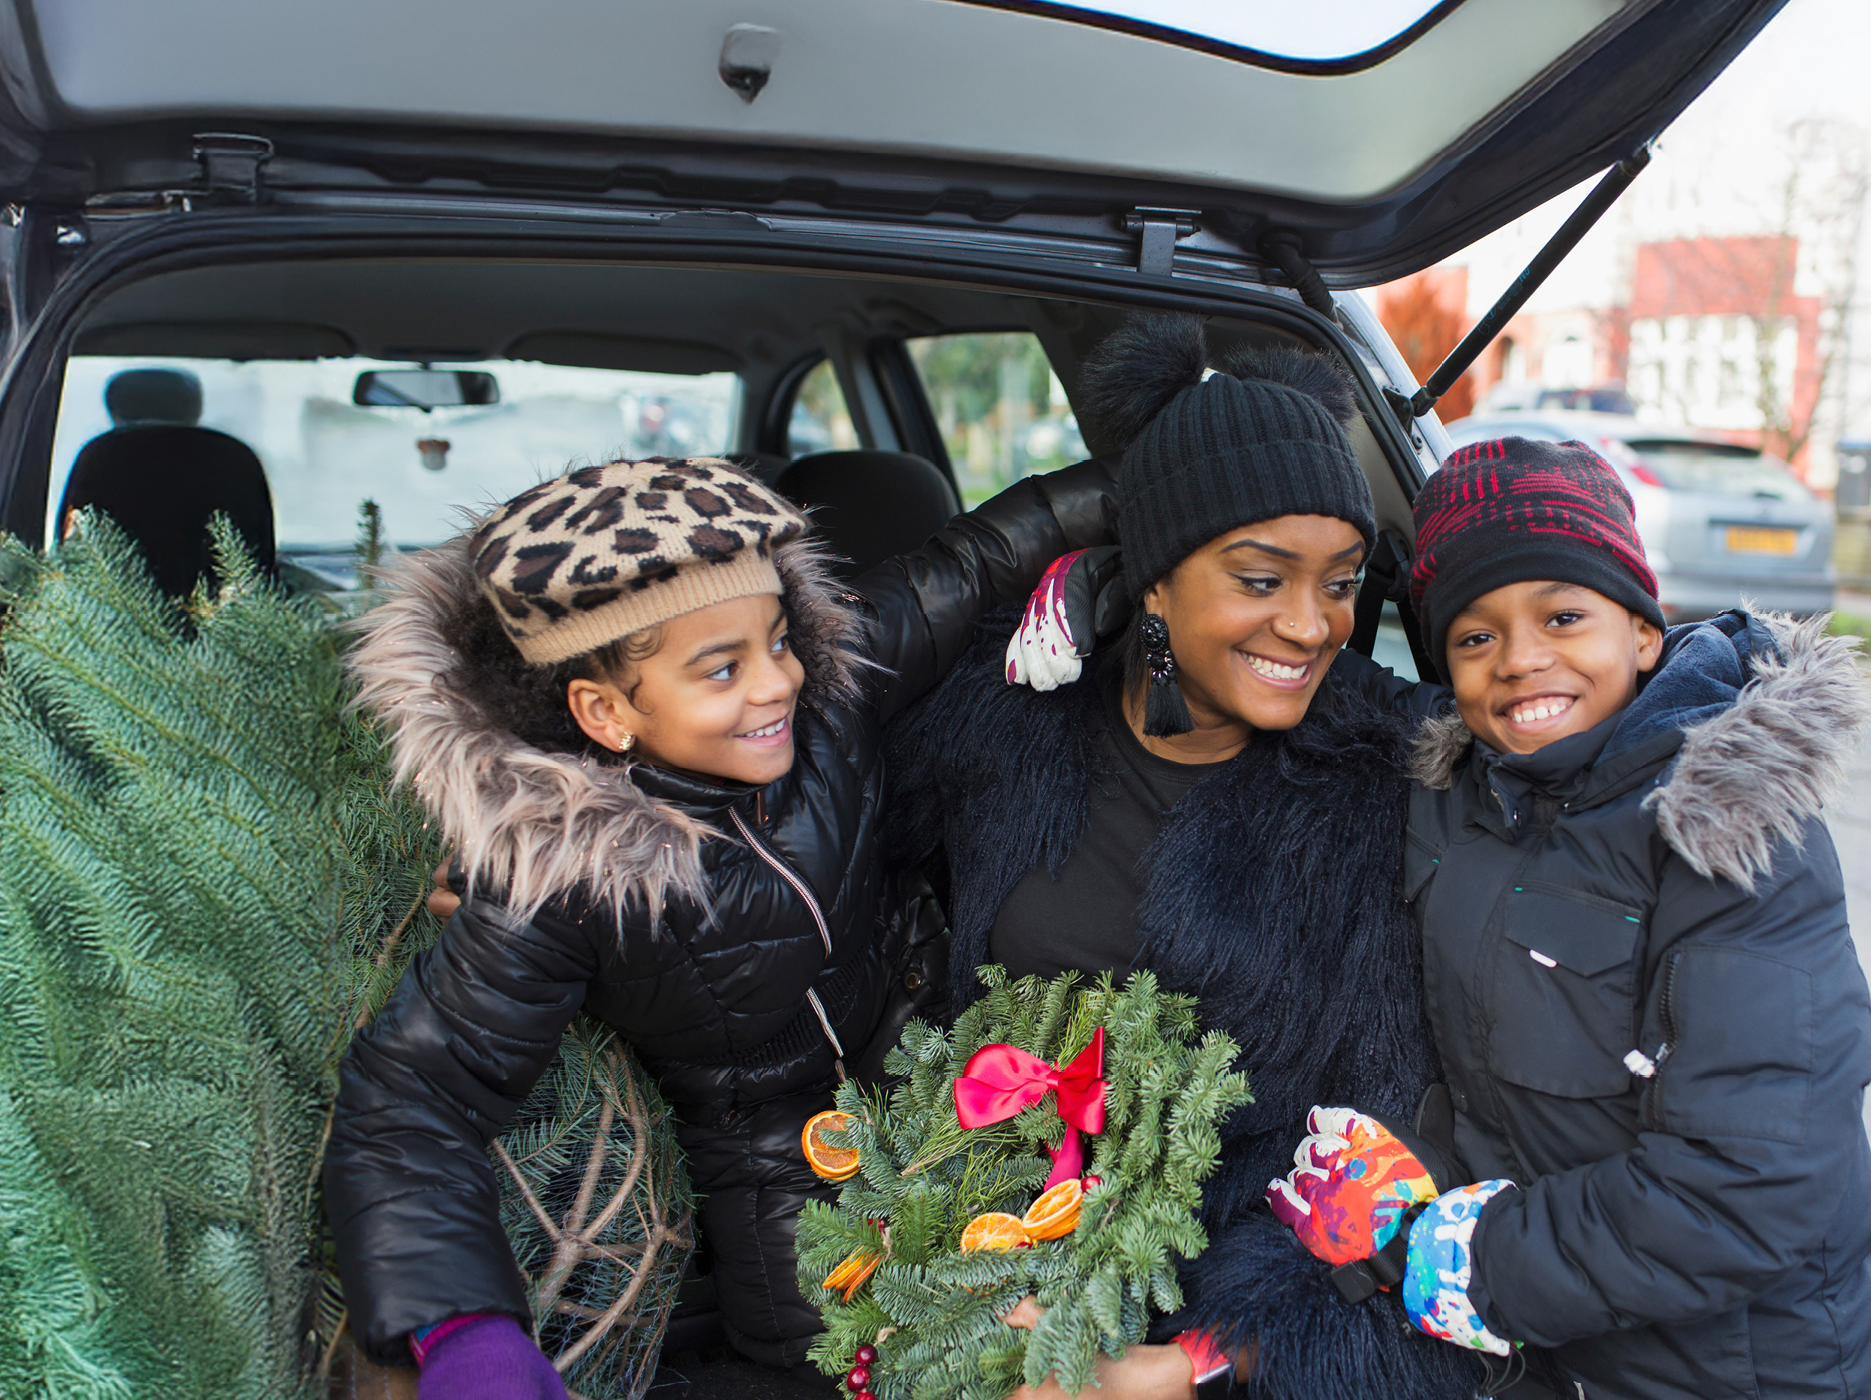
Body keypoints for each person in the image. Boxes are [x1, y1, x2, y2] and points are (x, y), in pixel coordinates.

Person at [323, 452, 1115, 1392]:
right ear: (607, 712)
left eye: (777, 640)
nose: (777, 683)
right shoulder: (566, 874)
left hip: (951, 1068)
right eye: (720, 669)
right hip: (783, 1188)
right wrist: (460, 1327)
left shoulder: (829, 686)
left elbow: (977, 560)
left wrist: (1146, 477)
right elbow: (412, 1100)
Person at [886, 314, 1483, 1400]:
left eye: (1343, 581)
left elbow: (1396, 1172)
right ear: (1151, 580)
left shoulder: (1379, 787)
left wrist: (1187, 1366)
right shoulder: (999, 720)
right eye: (1261, 579)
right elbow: (798, 776)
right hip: (961, 1256)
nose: (1313, 627)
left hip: (1217, 1328)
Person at [1270, 438, 1871, 1398]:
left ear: (1642, 630)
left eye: (1562, 615)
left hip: (1728, 1372)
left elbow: (1749, 1191)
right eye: (1475, 636)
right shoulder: (1462, 789)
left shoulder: (1733, 833)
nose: (1520, 661)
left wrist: (1469, 1263)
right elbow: (1298, 663)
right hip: (1544, 1357)